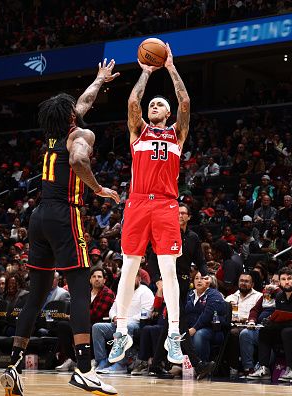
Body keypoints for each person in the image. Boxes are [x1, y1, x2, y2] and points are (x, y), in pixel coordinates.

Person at [0, 59, 120, 396]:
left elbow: (80, 105)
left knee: (36, 294)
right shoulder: (81, 135)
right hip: (65, 214)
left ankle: (13, 364)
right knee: (80, 288)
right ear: (70, 117)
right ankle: (85, 369)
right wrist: (98, 189)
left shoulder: (55, 133)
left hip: (38, 217)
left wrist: (98, 80)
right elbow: (81, 160)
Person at [110, 43, 190, 366]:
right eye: (152, 104)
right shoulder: (138, 132)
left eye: (159, 104)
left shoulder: (177, 135)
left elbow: (184, 100)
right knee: (129, 267)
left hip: (167, 205)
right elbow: (132, 102)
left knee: (169, 270)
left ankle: (173, 334)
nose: (154, 106)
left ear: (167, 113)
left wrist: (170, 67)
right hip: (138, 202)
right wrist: (145, 73)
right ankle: (120, 333)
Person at [146, 203, 215, 379]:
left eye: (184, 213)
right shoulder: (165, 233)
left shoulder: (193, 237)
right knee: (181, 322)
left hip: (184, 283)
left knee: (171, 323)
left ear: (189, 217)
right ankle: (197, 364)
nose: (181, 215)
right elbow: (152, 260)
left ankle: (155, 365)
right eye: (178, 213)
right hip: (169, 282)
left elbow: (200, 261)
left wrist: (206, 274)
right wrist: (158, 280)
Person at [247, 267, 292, 382]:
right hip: (286, 328)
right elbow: (280, 316)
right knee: (265, 330)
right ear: (280, 282)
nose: (286, 282)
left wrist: (279, 325)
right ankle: (264, 368)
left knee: (287, 332)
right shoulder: (279, 296)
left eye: (289, 278)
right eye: (283, 279)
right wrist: (270, 321)